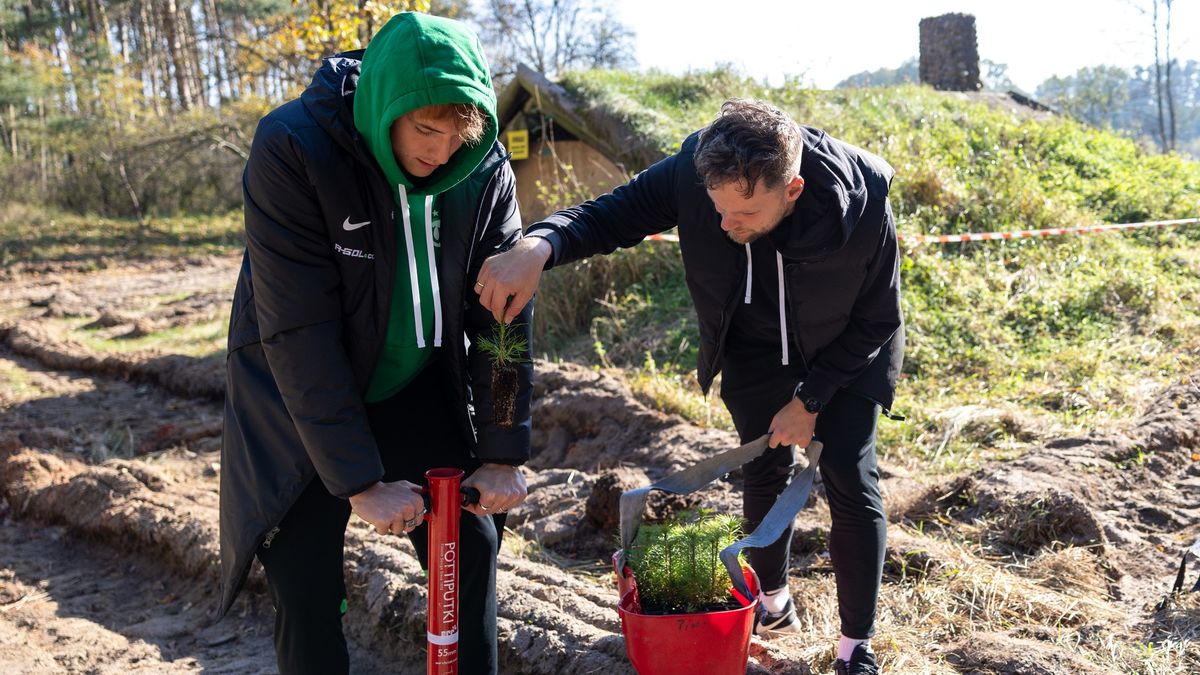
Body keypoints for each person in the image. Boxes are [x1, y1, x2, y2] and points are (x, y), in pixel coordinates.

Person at [477, 98, 902, 675]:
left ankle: (856, 646)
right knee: (764, 466)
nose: (727, 225)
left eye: (745, 212)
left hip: (848, 353)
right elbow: (611, 215)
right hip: (754, 349)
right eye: (717, 208)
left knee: (850, 476)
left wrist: (811, 399)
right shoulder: (693, 169)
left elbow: (878, 321)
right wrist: (540, 244)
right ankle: (773, 603)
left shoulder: (862, 203)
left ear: (793, 188)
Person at [217, 12, 532, 675]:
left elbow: (502, 322)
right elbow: (298, 331)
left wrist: (502, 448)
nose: (442, 152)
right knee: (305, 582)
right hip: (299, 397)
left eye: (458, 134)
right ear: (388, 102)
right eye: (426, 129)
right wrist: (358, 479)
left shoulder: (483, 168)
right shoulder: (294, 149)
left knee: (469, 542)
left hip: (412, 383)